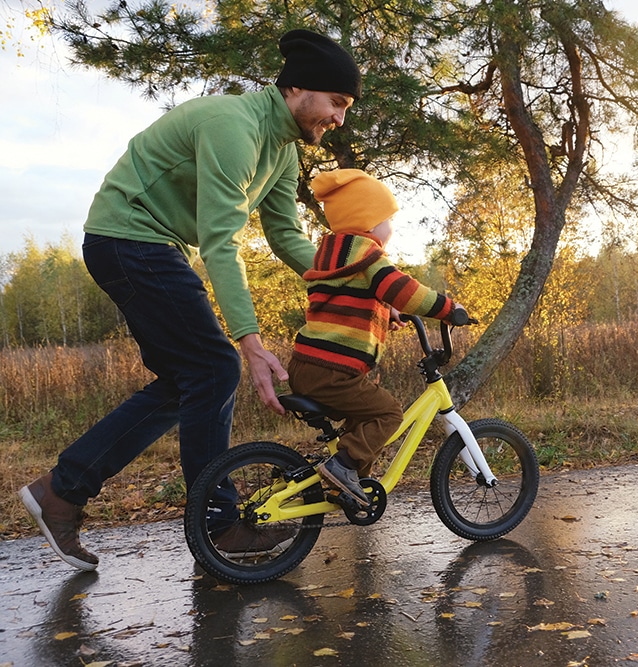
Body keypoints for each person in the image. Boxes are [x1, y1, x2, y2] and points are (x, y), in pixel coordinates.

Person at [18, 29, 362, 570]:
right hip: (128, 236)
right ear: (298, 89)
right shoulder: (233, 127)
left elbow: (285, 236)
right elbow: (222, 241)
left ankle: (62, 491)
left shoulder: (281, 149)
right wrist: (249, 341)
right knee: (216, 366)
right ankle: (218, 524)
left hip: (148, 244)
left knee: (190, 380)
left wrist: (351, 281)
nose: (339, 118)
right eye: (336, 103)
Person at [287, 169, 465, 506]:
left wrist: (386, 309)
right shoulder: (369, 257)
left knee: (363, 420)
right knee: (388, 414)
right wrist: (447, 308)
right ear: (369, 222)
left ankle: (352, 487)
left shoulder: (333, 255)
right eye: (389, 220)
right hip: (333, 371)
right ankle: (341, 469)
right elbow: (404, 290)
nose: (391, 228)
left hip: (306, 364)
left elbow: (349, 296)